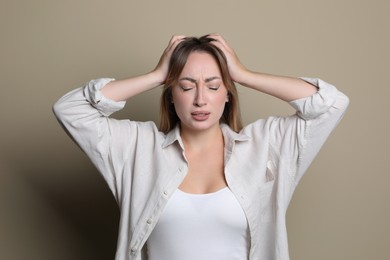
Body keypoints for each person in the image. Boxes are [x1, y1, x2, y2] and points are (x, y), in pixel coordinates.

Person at [53, 34, 349, 260]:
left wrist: (244, 75)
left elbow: (331, 104)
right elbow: (70, 109)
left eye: (213, 85)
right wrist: (157, 75)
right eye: (185, 86)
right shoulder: (138, 148)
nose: (200, 99)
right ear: (170, 95)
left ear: (229, 94)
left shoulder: (265, 147)